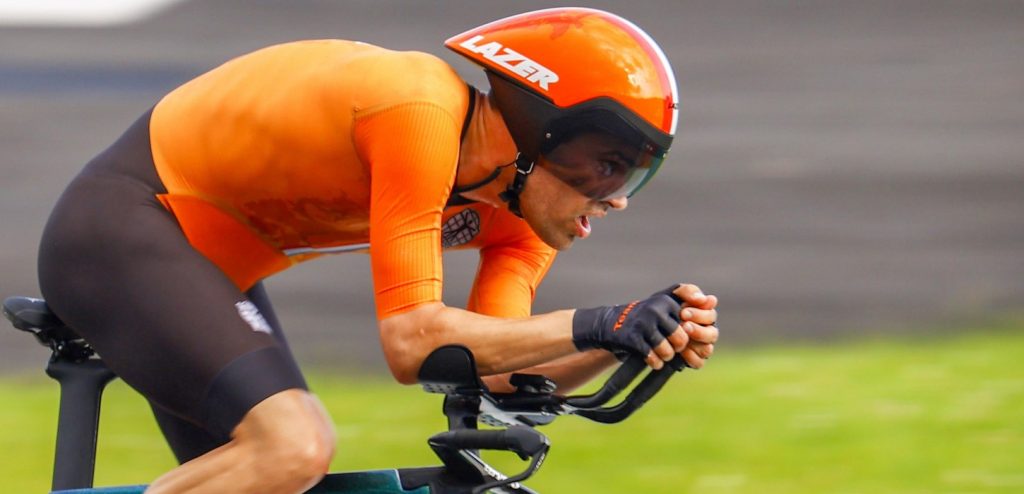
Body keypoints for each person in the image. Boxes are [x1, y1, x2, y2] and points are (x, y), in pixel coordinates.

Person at [36, 7, 718, 493]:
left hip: (209, 267)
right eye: (609, 165)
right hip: (124, 224)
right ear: (544, 131)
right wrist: (601, 320)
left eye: (634, 173)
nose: (618, 195)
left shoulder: (519, 215)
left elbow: (499, 379)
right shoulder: (418, 110)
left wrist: (625, 342)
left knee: (268, 476)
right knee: (289, 448)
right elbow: (411, 344)